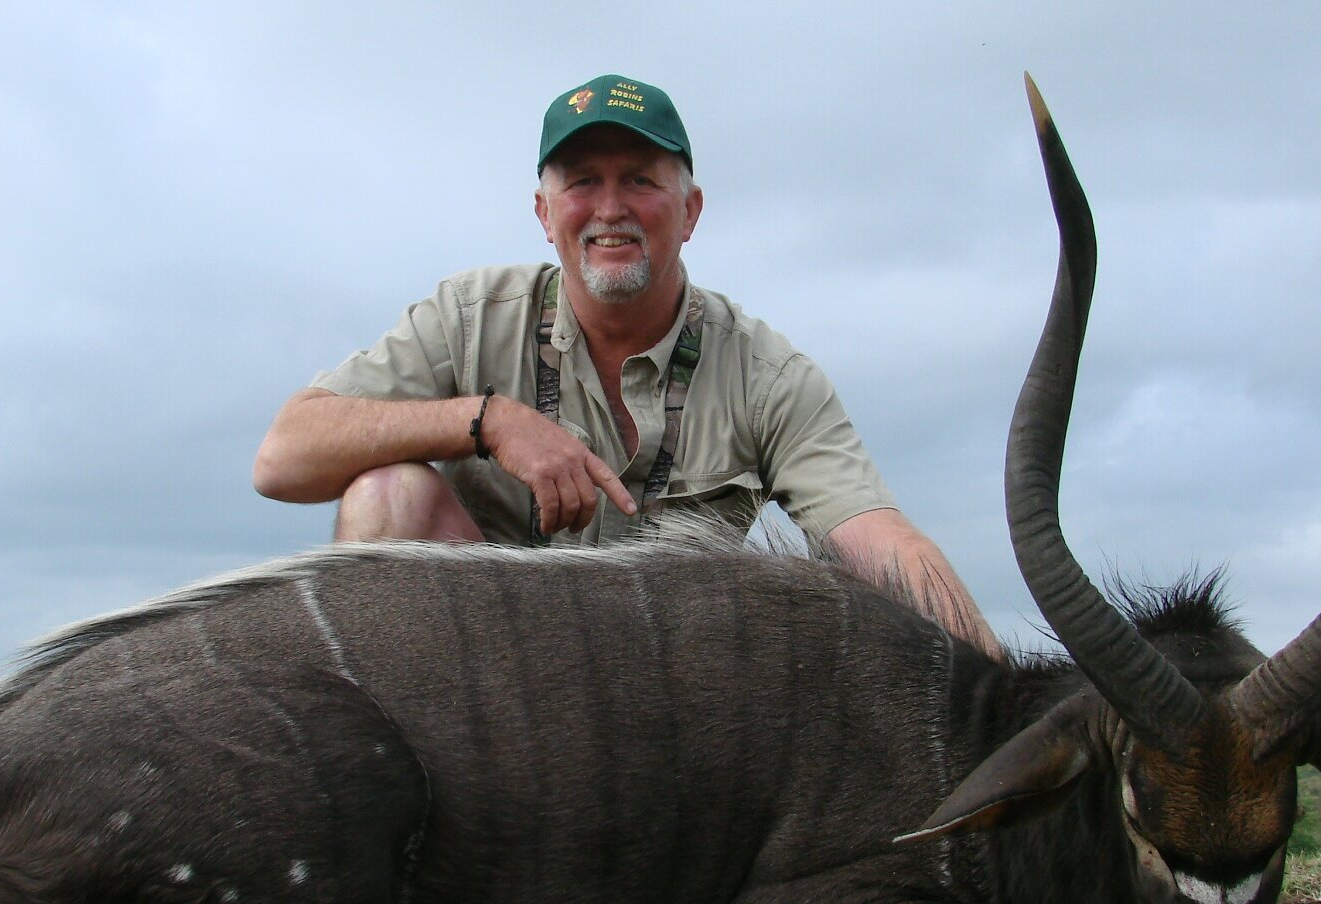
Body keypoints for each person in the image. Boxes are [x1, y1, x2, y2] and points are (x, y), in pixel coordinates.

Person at [254, 74, 1001, 656]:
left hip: (666, 699)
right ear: (546, 215)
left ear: (691, 209)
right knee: (389, 495)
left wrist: (1004, 694)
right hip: (481, 687)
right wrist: (487, 422)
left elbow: (878, 540)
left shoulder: (770, 374)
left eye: (640, 179)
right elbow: (282, 459)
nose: (610, 207)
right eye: (582, 181)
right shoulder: (468, 315)